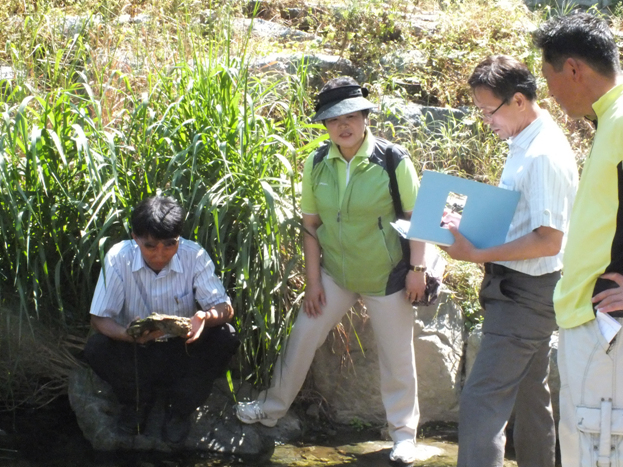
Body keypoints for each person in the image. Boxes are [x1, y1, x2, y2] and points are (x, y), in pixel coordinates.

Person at [235, 77, 426, 464]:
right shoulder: (317, 162)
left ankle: (404, 436)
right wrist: (313, 282)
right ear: (325, 125)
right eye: (334, 118)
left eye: (352, 116)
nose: (344, 125)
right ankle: (271, 411)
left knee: (397, 357)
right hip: (336, 274)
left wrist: (417, 269)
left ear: (366, 118)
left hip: (387, 276)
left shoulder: (393, 160)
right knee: (303, 336)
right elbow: (311, 226)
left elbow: (417, 217)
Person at [441, 55, 578, 467]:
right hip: (520, 290)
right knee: (532, 396)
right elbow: (525, 217)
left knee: (481, 401)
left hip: (525, 295)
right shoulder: (526, 140)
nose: (486, 120)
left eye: (489, 110)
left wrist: (477, 252)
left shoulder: (543, 154)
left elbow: (549, 240)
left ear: (518, 100)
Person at [533, 12, 623, 467]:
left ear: (573, 68)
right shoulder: (611, 120)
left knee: (598, 450)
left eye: (550, 81)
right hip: (594, 321)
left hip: (607, 323)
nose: (551, 96)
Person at [83, 195, 239, 444]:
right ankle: (136, 403)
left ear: (179, 238)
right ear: (135, 237)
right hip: (136, 351)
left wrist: (205, 317)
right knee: (96, 348)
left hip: (183, 350)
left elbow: (225, 308)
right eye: (150, 246)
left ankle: (179, 410)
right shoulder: (118, 257)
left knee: (226, 335)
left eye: (170, 244)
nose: (160, 253)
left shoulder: (194, 255)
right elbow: (99, 319)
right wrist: (128, 334)